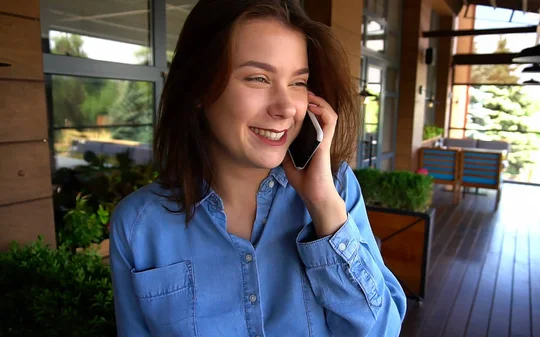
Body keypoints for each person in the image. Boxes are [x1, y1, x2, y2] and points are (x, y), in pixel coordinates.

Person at [109, 0, 407, 336]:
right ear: (198, 88)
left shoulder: (336, 190)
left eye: (297, 83)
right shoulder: (139, 224)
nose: (285, 108)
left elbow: (382, 330)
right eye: (258, 78)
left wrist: (323, 206)